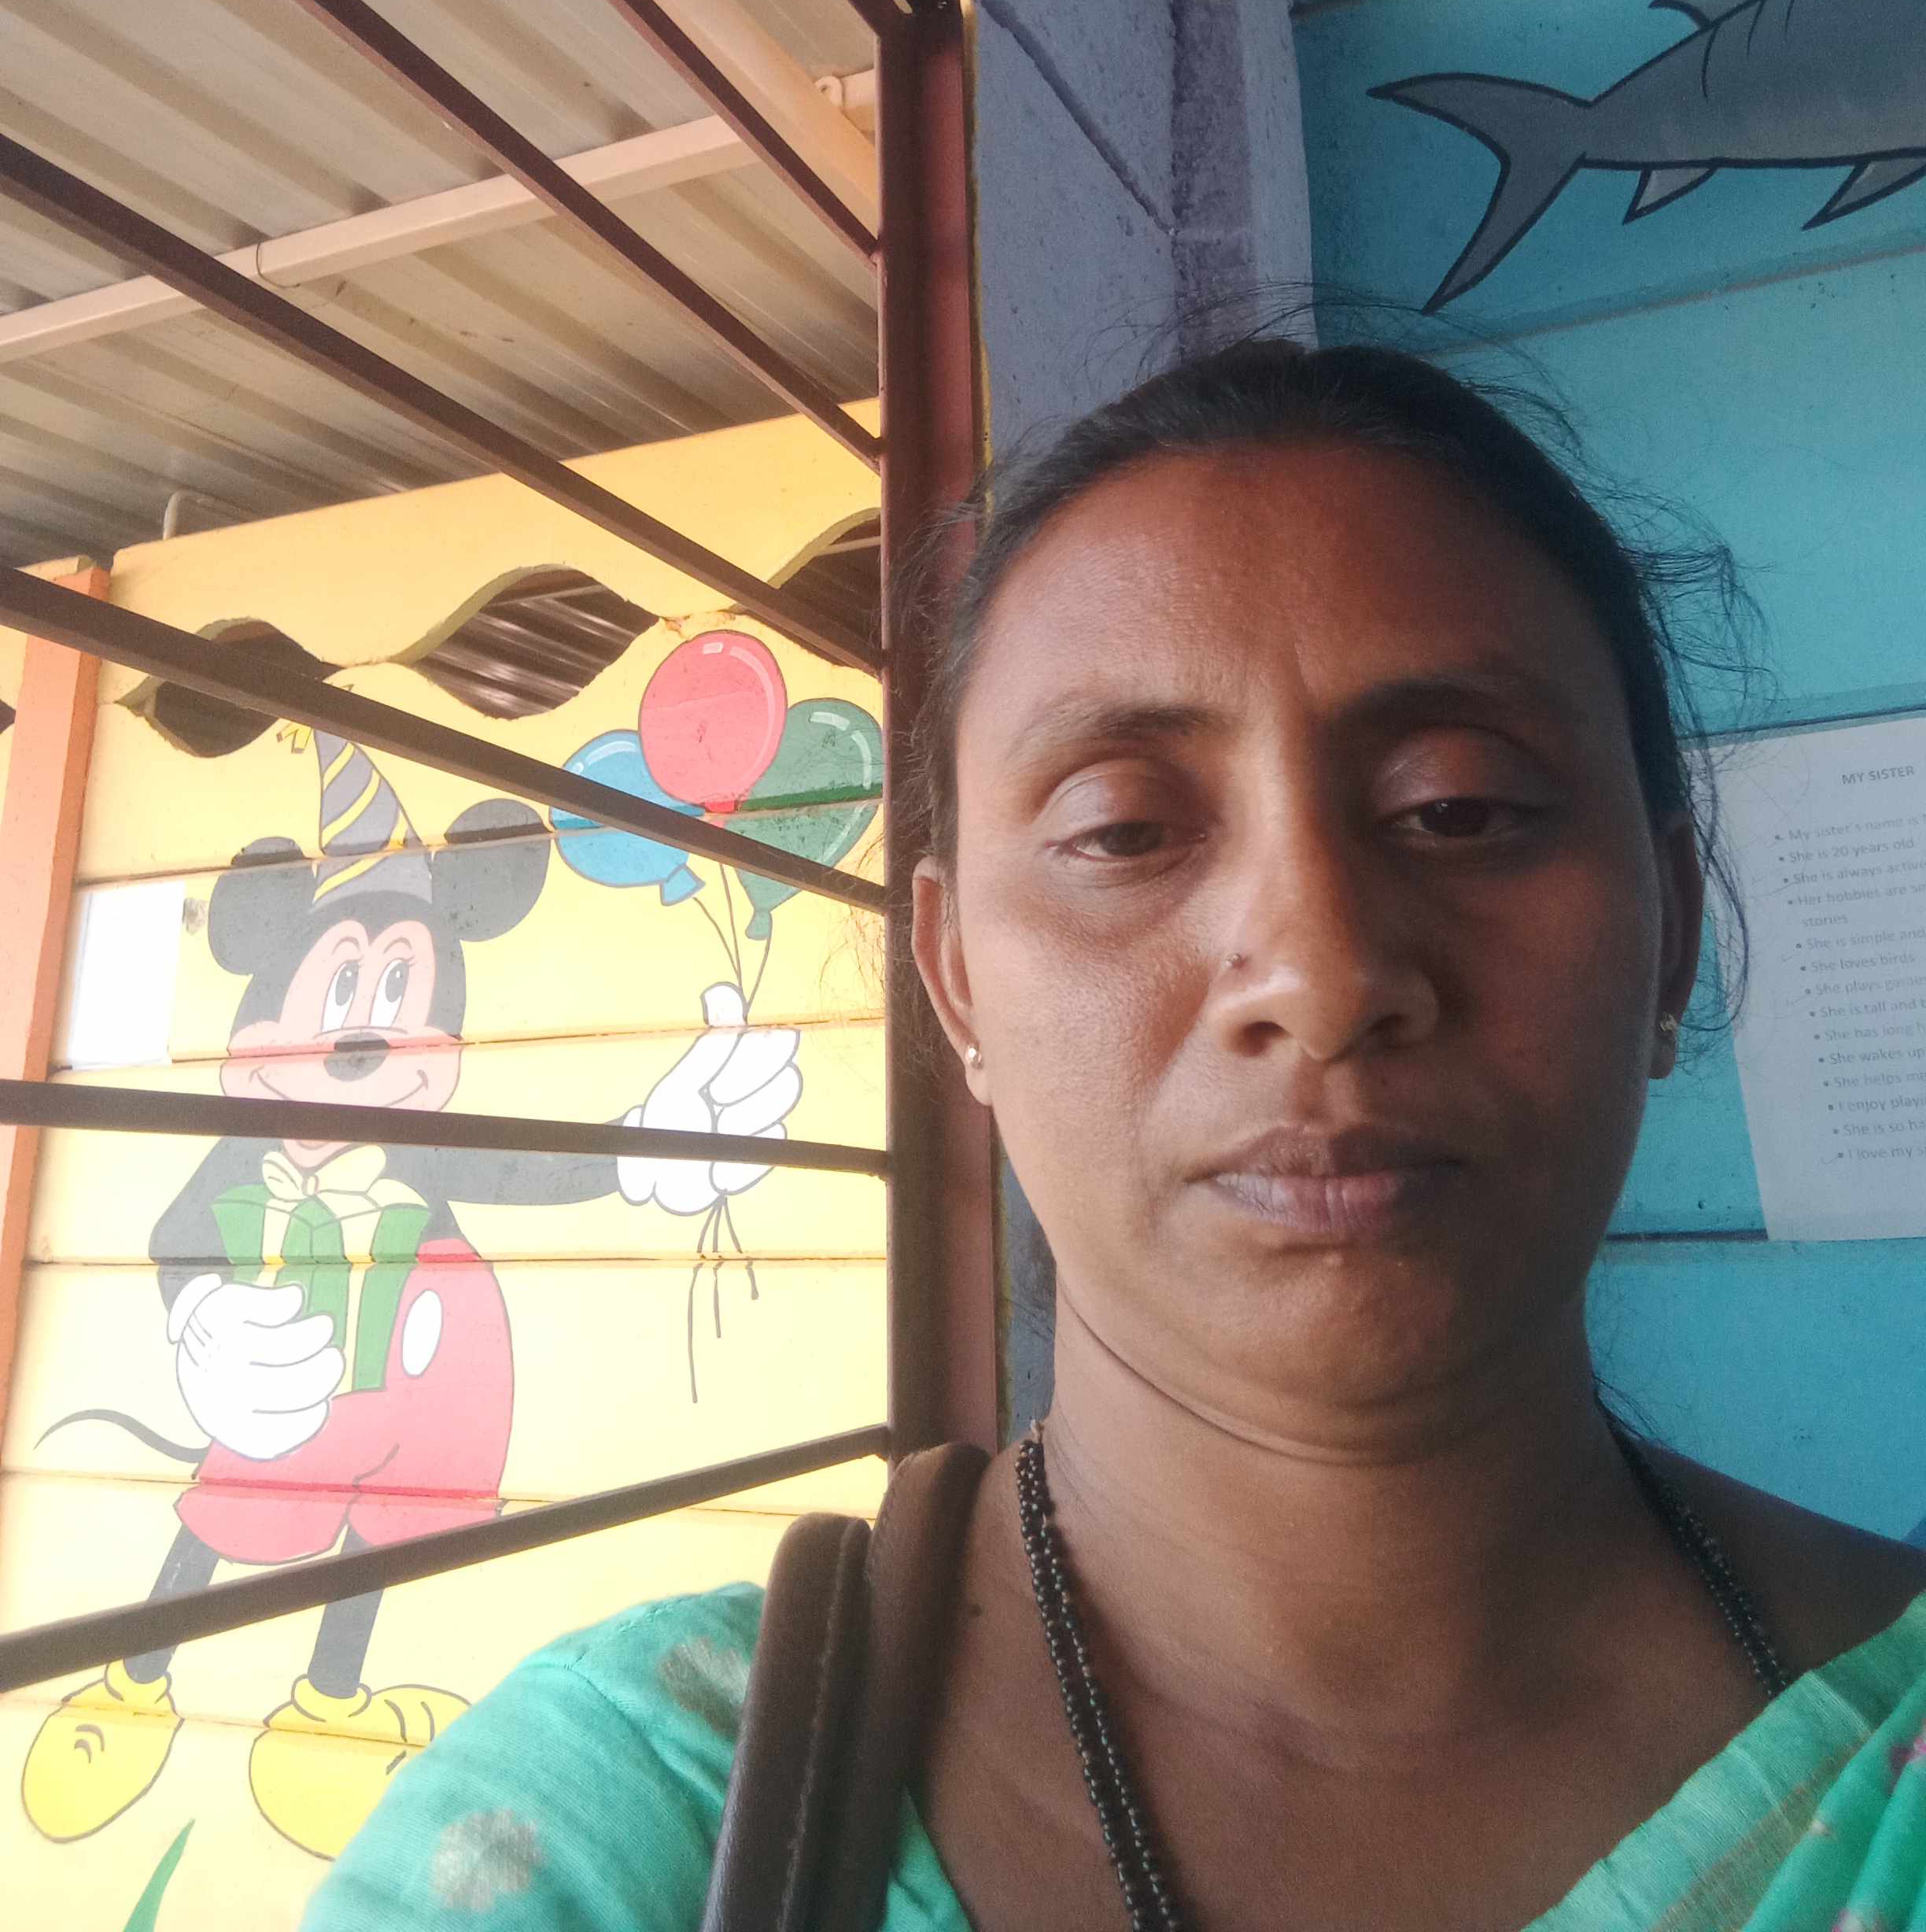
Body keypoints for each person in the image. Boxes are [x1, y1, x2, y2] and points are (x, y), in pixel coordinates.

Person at [304, 334, 1926, 1931]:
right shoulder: (635, 1829)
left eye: (1458, 806)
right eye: (1126, 829)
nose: (1319, 975)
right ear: (955, 979)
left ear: (1670, 934)